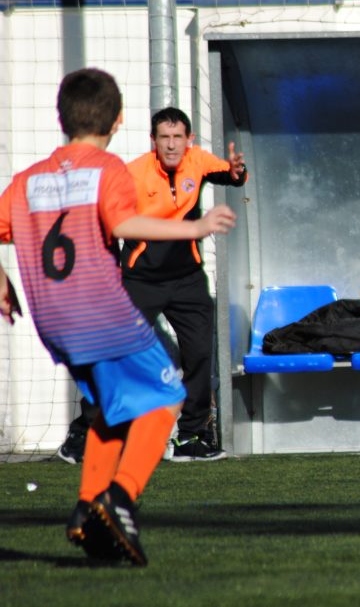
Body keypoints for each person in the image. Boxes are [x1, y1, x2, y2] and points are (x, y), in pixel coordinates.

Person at [0, 68, 236, 564]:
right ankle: (121, 496)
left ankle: (88, 510)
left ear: (60, 119)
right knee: (167, 395)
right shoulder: (108, 169)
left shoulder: (27, 180)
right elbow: (125, 222)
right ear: (120, 120)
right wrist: (198, 228)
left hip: (52, 322)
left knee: (111, 411)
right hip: (101, 309)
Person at [57, 106, 247, 463]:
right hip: (139, 281)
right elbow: (105, 221)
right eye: (165, 138)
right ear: (153, 141)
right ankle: (84, 433)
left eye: (178, 138)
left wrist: (239, 172)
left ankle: (191, 436)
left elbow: (230, 174)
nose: (172, 145)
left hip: (188, 281)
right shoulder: (131, 175)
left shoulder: (198, 161)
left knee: (199, 354)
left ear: (189, 140)